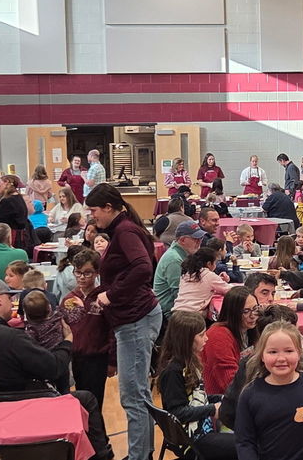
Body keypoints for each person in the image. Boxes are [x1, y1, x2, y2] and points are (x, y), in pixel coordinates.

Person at [0, 278, 114, 460]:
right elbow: (54, 367)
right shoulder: (11, 338)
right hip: (24, 406)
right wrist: (67, 342)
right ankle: (102, 457)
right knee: (86, 398)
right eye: (10, 299)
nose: (13, 304)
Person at [83, 183, 160, 460]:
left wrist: (110, 295)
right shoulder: (123, 229)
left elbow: (143, 267)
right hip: (134, 317)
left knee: (132, 396)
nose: (93, 216)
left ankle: (139, 456)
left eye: (94, 210)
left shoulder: (125, 231)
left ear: (108, 207)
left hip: (136, 319)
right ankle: (144, 452)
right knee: (139, 394)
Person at [235, 321, 303, 460]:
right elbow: (244, 441)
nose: (281, 358)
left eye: (289, 351)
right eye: (273, 352)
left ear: (299, 352)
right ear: (262, 355)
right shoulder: (250, 395)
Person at [157, 311, 236, 460]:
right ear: (186, 340)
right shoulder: (173, 371)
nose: (206, 338)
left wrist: (222, 398)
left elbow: (197, 397)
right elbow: (177, 412)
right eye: (201, 335)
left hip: (202, 428)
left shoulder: (189, 361)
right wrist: (212, 409)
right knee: (247, 445)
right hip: (194, 438)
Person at [62, 248, 115, 409]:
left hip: (98, 358)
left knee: (94, 403)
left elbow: (113, 330)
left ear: (97, 273)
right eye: (78, 273)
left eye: (87, 273)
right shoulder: (69, 298)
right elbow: (63, 327)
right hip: (76, 357)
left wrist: (112, 361)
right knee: (80, 402)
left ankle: (97, 434)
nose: (82, 277)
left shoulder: (104, 298)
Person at [202, 286, 258, 395]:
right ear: (233, 312)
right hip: (220, 399)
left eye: (255, 309)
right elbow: (229, 383)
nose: (253, 316)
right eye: (246, 311)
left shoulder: (251, 329)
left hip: (245, 391)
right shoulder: (217, 336)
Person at [154, 219, 206, 315]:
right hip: (170, 314)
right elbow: (180, 295)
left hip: (177, 308)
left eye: (201, 238)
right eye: (195, 239)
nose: (199, 242)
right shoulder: (174, 259)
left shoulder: (184, 254)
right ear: (182, 240)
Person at [172, 247, 233, 316]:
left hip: (176, 313)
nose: (215, 265)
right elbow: (229, 290)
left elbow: (200, 286)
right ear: (209, 264)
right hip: (193, 316)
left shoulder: (186, 274)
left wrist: (218, 279)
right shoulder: (209, 275)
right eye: (215, 263)